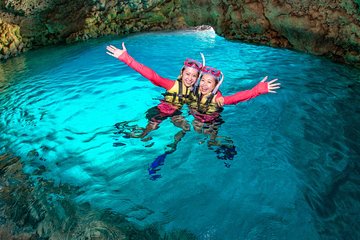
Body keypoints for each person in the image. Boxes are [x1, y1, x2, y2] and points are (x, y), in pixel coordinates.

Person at [106, 43, 224, 140]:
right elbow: (153, 76)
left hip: (176, 113)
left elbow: (212, 89)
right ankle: (126, 131)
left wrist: (219, 96)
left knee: (187, 128)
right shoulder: (172, 85)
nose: (190, 78)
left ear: (198, 78)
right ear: (182, 73)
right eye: (187, 74)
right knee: (145, 133)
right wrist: (126, 58)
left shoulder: (196, 89)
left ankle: (176, 142)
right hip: (161, 111)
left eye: (194, 76)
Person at [189, 65, 280, 167]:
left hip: (212, 122)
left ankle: (224, 142)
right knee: (197, 130)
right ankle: (209, 141)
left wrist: (256, 91)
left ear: (215, 86)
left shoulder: (217, 99)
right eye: (203, 80)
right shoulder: (194, 91)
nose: (204, 84)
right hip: (198, 118)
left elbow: (235, 98)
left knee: (210, 139)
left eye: (209, 82)